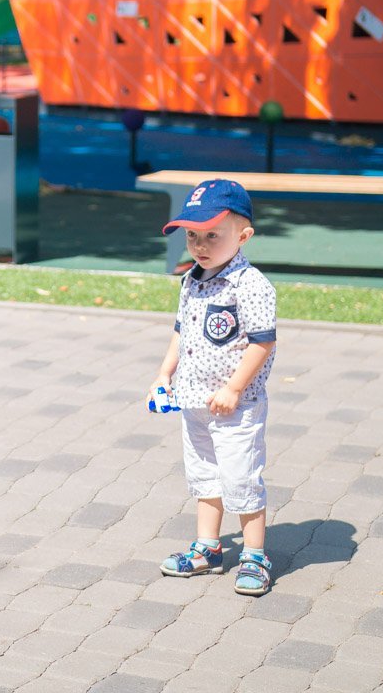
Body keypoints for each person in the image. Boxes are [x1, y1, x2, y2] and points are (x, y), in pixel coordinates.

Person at [147, 179, 277, 596]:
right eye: (192, 235)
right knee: (204, 475)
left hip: (236, 407)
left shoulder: (250, 284)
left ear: (243, 236)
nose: (200, 245)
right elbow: (181, 332)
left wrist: (235, 388)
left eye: (212, 235)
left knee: (241, 478)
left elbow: (262, 341)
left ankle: (255, 554)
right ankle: (208, 547)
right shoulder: (193, 280)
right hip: (195, 400)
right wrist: (164, 374)